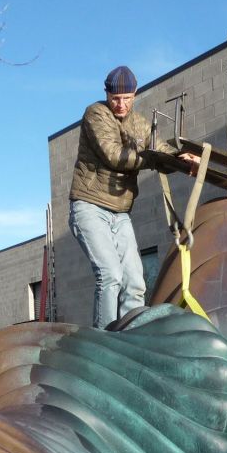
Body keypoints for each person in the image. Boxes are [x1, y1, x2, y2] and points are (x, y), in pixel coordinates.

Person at [69, 65, 199, 329]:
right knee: (110, 275)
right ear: (106, 94)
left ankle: (132, 339)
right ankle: (104, 342)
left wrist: (182, 159)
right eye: (115, 99)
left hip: (120, 213)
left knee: (135, 281)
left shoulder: (139, 123)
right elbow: (114, 155)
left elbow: (159, 148)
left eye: (127, 99)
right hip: (90, 207)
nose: (120, 105)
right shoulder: (96, 114)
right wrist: (153, 158)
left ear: (135, 94)